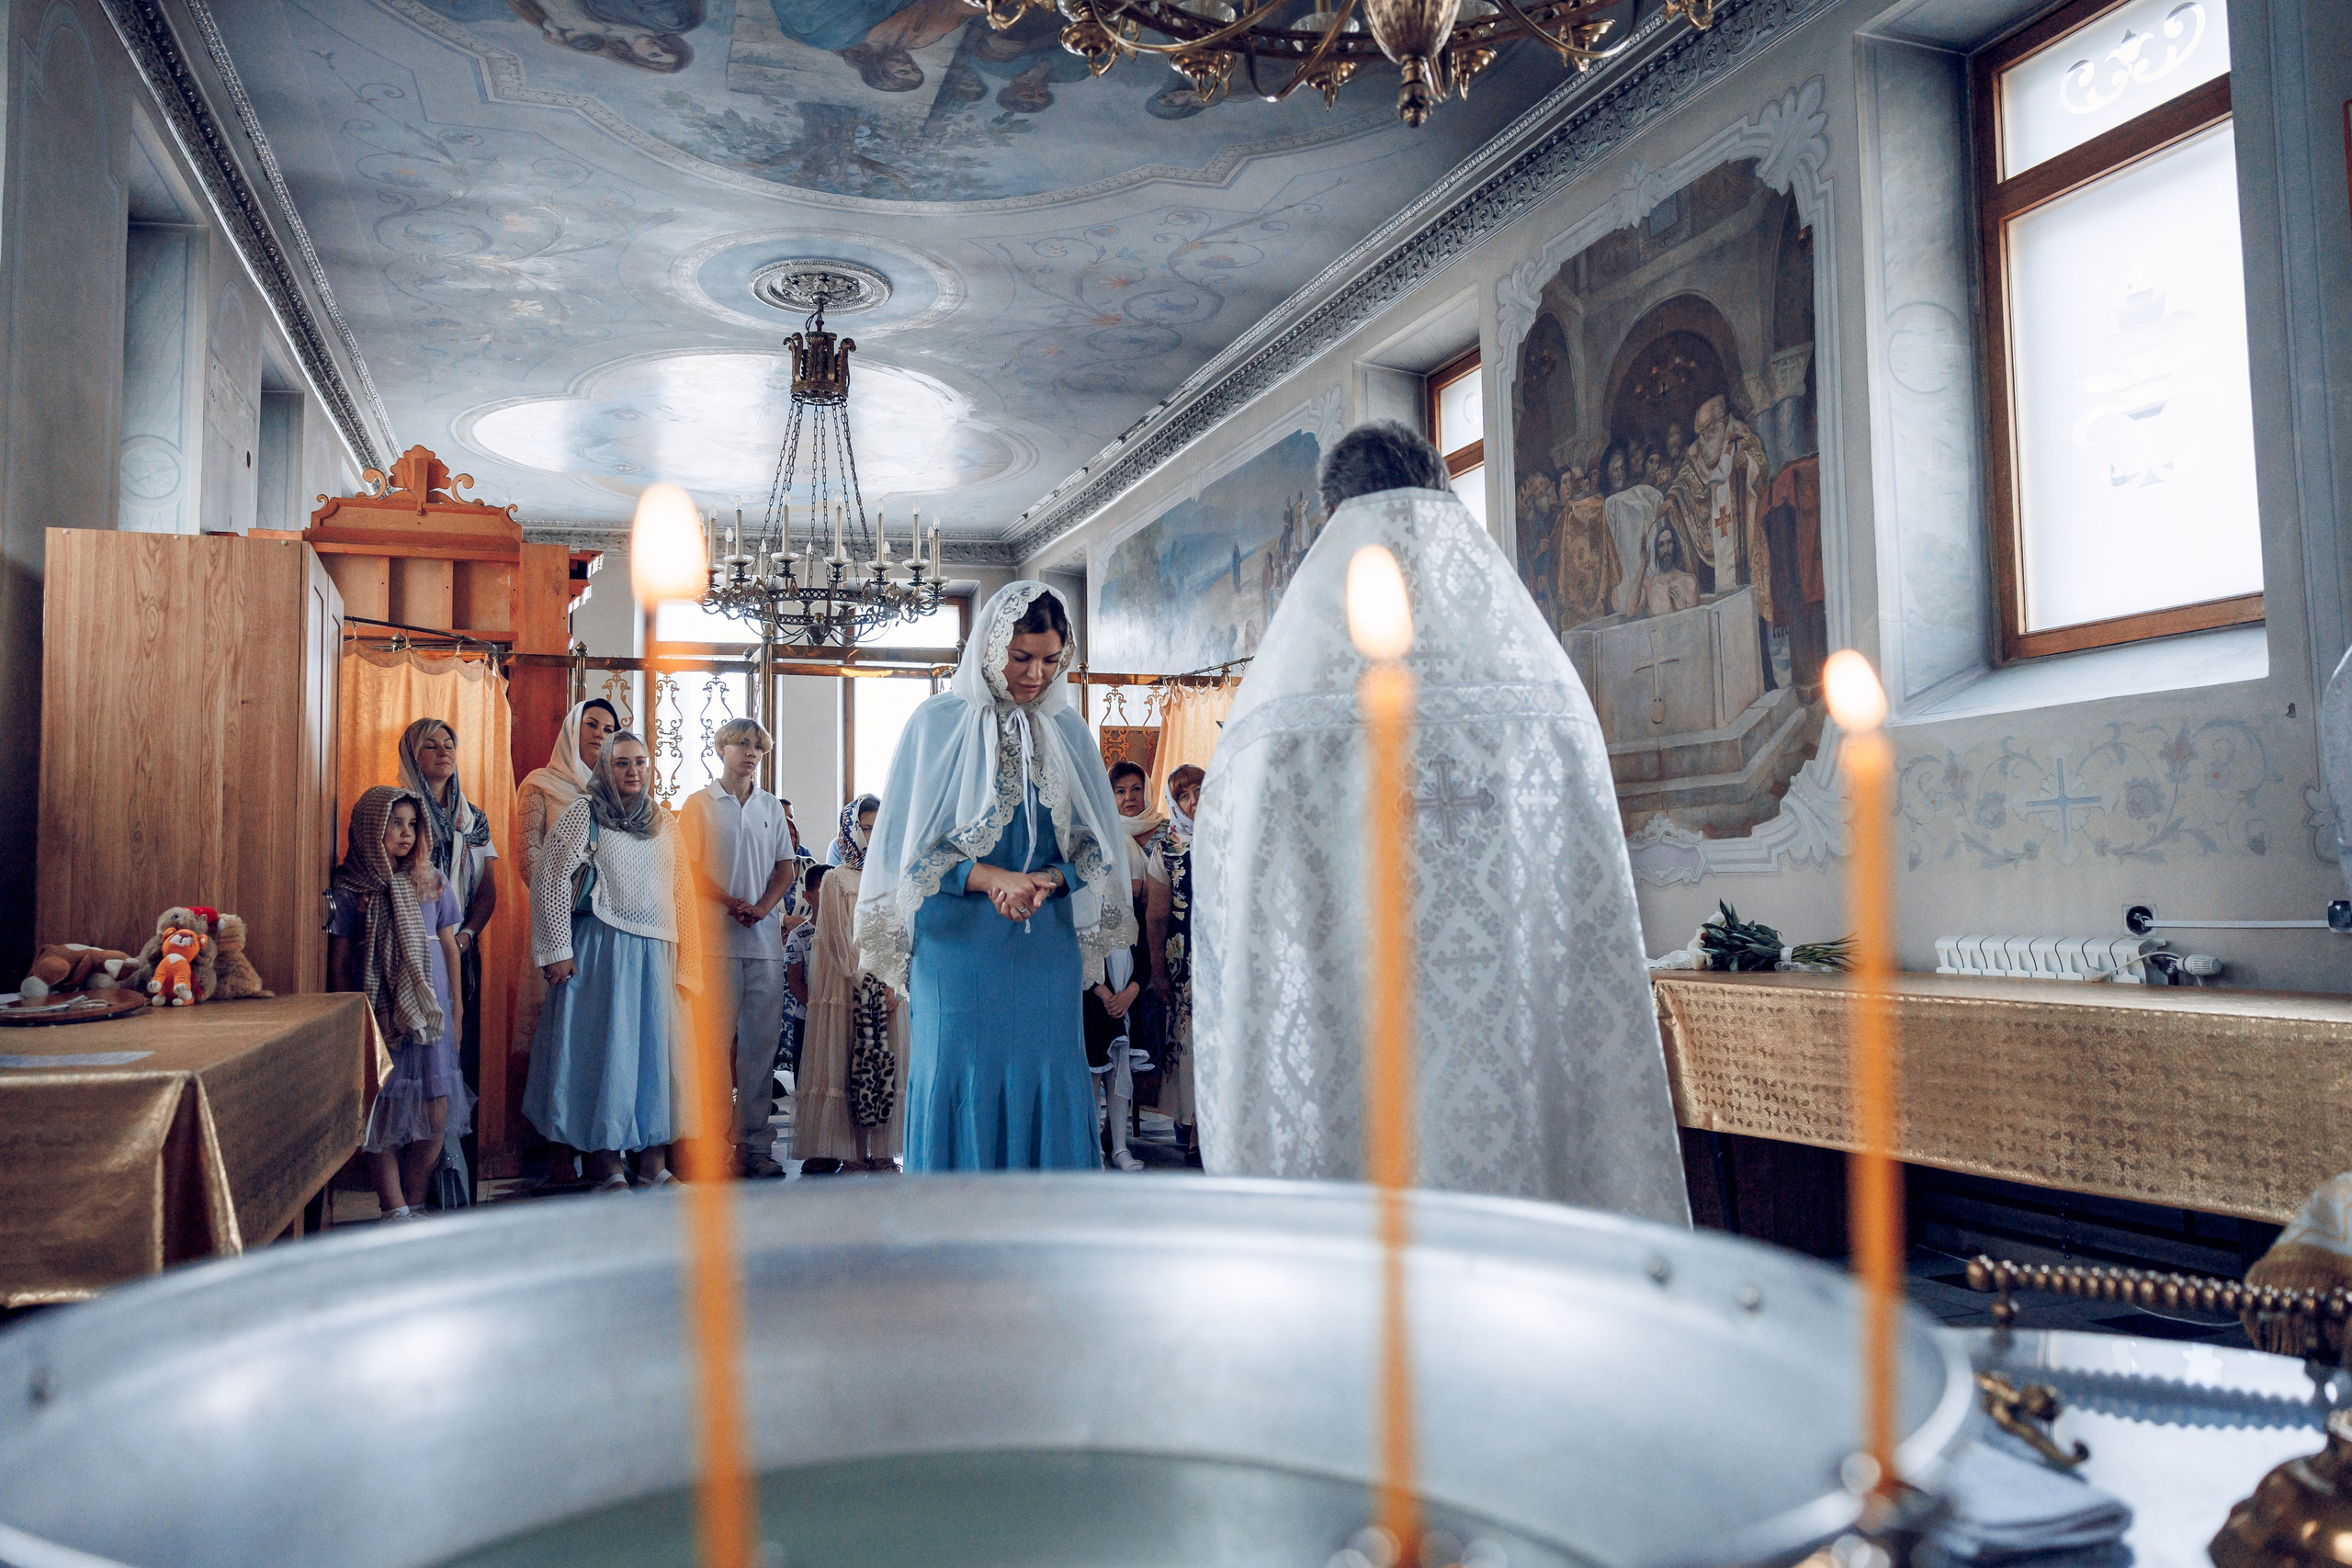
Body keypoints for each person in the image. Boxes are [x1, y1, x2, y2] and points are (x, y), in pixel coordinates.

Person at [1193, 421, 1689, 1219]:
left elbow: (1236, 899)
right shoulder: (1543, 690)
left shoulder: (1282, 709)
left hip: (1351, 1058)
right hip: (1509, 1063)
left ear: (1333, 517)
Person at [855, 582, 1133, 1171]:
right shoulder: (935, 724)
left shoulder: (1069, 731)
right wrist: (990, 878)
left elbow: (1095, 849)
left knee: (1049, 1072)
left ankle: (1048, 1218)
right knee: (960, 1072)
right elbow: (906, 854)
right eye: (1022, 657)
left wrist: (1050, 880)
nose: (1036, 675)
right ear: (989, 647)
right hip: (956, 951)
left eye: (1051, 661)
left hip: (1045, 947)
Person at [524, 731, 699, 1193]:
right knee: (607, 1055)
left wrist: (688, 964)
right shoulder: (584, 813)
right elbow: (551, 879)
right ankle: (609, 1166)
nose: (632, 771)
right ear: (605, 767)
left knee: (654, 1059)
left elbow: (682, 892)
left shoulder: (664, 821)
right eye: (622, 762)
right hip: (602, 952)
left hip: (656, 955)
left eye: (640, 762)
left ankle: (653, 1165)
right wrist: (557, 949)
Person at [327, 786, 471, 1224]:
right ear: (371, 828)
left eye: (413, 824)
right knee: (381, 1109)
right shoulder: (351, 889)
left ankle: (416, 1198)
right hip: (379, 1009)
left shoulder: (433, 880)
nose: (406, 833)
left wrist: (457, 1009)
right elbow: (341, 961)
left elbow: (449, 947)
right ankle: (395, 1207)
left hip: (430, 1009)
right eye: (396, 824)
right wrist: (349, 1017)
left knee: (436, 1111)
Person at [680, 717, 800, 1179]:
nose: (751, 753)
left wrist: (763, 908)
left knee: (760, 1050)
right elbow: (688, 869)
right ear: (722, 748)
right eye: (743, 744)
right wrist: (732, 903)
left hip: (764, 945)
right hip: (714, 943)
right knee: (712, 1049)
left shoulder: (770, 806)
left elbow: (785, 869)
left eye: (758, 747)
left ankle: (755, 1146)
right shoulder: (700, 804)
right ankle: (712, 1147)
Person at [514, 697, 618, 1189]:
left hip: (606, 934)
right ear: (571, 730)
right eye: (591, 724)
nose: (599, 734)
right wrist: (561, 919)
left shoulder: (614, 792)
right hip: (557, 929)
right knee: (560, 1043)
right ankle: (557, 1154)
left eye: (609, 728)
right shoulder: (540, 784)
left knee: (598, 1040)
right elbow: (530, 859)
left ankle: (598, 1149)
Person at [398, 718, 500, 1204]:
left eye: (449, 744)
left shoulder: (472, 818)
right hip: (405, 955)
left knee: (455, 1061)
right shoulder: (397, 810)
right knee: (406, 1076)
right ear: (411, 756)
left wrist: (463, 937)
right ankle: (406, 1198)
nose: (443, 752)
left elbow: (488, 889)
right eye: (431, 745)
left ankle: (454, 1191)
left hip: (456, 950)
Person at [795, 797, 905, 1173]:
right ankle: (853, 1153)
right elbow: (839, 940)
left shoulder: (893, 876)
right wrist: (867, 981)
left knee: (885, 1063)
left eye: (878, 827)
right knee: (847, 1065)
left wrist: (895, 983)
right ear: (851, 830)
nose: (872, 836)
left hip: (888, 987)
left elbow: (904, 933)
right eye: (866, 828)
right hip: (848, 987)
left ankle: (885, 1153)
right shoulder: (836, 879)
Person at [1148, 764, 1204, 1164]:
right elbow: (1155, 917)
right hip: (1186, 959)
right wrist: (1158, 971)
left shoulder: (1235, 833)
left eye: (1200, 790)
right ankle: (1194, 1124)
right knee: (1192, 1045)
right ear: (1175, 803)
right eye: (1184, 796)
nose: (1194, 801)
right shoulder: (1167, 849)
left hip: (1230, 957)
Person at [780, 863, 829, 1085]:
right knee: (806, 1080)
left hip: (841, 1019)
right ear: (808, 897)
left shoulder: (850, 933)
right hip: (808, 1019)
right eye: (824, 889)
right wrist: (821, 1008)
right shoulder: (799, 935)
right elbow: (795, 982)